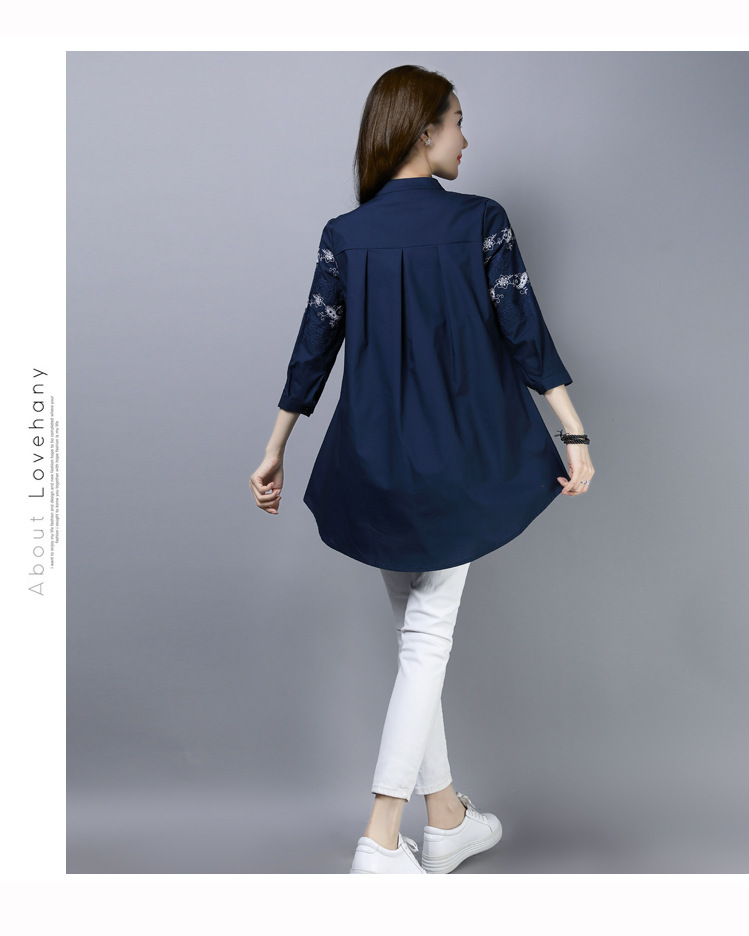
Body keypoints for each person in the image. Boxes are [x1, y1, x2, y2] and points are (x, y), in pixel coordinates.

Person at [249, 64, 595, 874]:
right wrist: (573, 432)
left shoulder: (346, 234)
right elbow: (524, 331)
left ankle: (446, 821)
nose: (467, 138)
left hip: (372, 465)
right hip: (454, 465)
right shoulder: (480, 222)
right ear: (422, 129)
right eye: (458, 121)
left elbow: (312, 347)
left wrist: (275, 446)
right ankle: (380, 836)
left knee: (416, 641)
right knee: (425, 645)